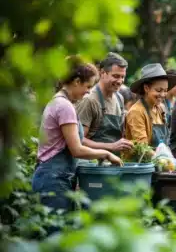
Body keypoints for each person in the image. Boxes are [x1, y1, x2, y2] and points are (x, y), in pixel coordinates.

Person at [32, 58, 122, 211]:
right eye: (87, 86)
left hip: (55, 176)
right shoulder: (64, 106)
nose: (88, 91)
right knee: (56, 233)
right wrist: (106, 154)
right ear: (76, 81)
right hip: (53, 178)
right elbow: (77, 149)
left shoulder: (60, 102)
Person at [76, 52, 133, 154]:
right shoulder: (90, 99)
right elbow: (79, 140)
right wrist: (111, 146)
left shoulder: (119, 98)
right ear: (102, 73)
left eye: (122, 77)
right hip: (92, 164)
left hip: (114, 162)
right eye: (116, 76)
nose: (120, 81)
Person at [125, 64, 176, 147]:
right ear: (146, 88)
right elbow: (143, 147)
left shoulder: (161, 109)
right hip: (139, 159)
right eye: (159, 90)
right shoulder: (136, 112)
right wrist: (164, 157)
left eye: (165, 90)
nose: (163, 94)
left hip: (161, 157)